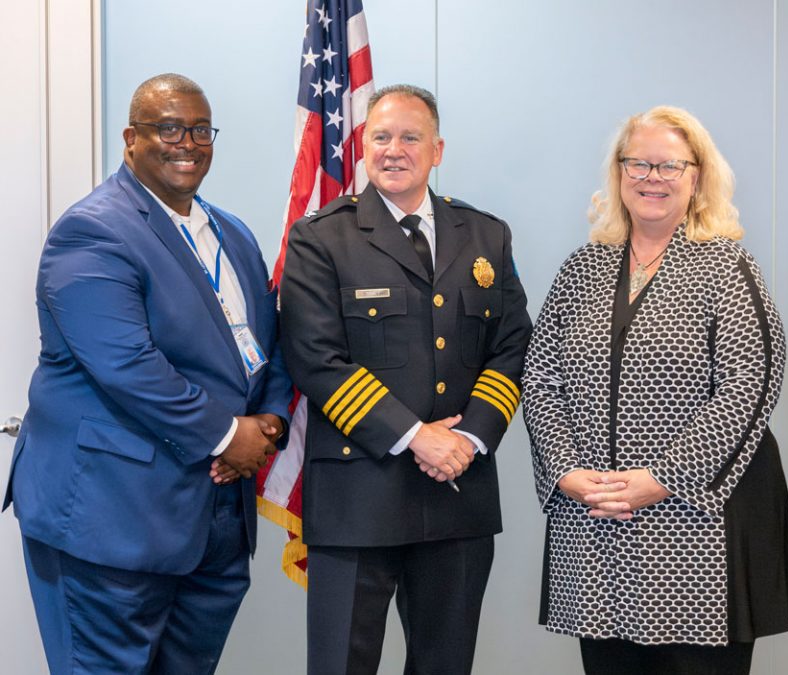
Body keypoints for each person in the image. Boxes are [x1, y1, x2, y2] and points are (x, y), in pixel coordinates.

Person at [2, 73, 293, 674]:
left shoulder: (231, 233)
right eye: (168, 128)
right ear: (131, 138)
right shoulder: (93, 232)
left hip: (215, 518)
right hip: (113, 518)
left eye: (200, 129)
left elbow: (270, 340)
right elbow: (128, 366)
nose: (186, 142)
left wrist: (269, 421)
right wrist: (228, 437)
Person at [522, 106, 788, 675]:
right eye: (638, 163)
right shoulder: (582, 268)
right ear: (618, 174)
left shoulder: (725, 264)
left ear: (697, 177)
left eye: (670, 165)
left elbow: (751, 384)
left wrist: (664, 480)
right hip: (594, 524)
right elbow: (541, 377)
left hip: (697, 531)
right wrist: (566, 471)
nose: (652, 177)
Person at [279, 84, 531, 675]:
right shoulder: (321, 237)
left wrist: (468, 438)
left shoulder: (486, 235)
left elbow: (512, 344)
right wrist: (418, 435)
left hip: (457, 496)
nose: (395, 150)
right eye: (382, 137)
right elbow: (316, 357)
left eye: (411, 137)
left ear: (437, 149)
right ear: (364, 146)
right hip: (357, 498)